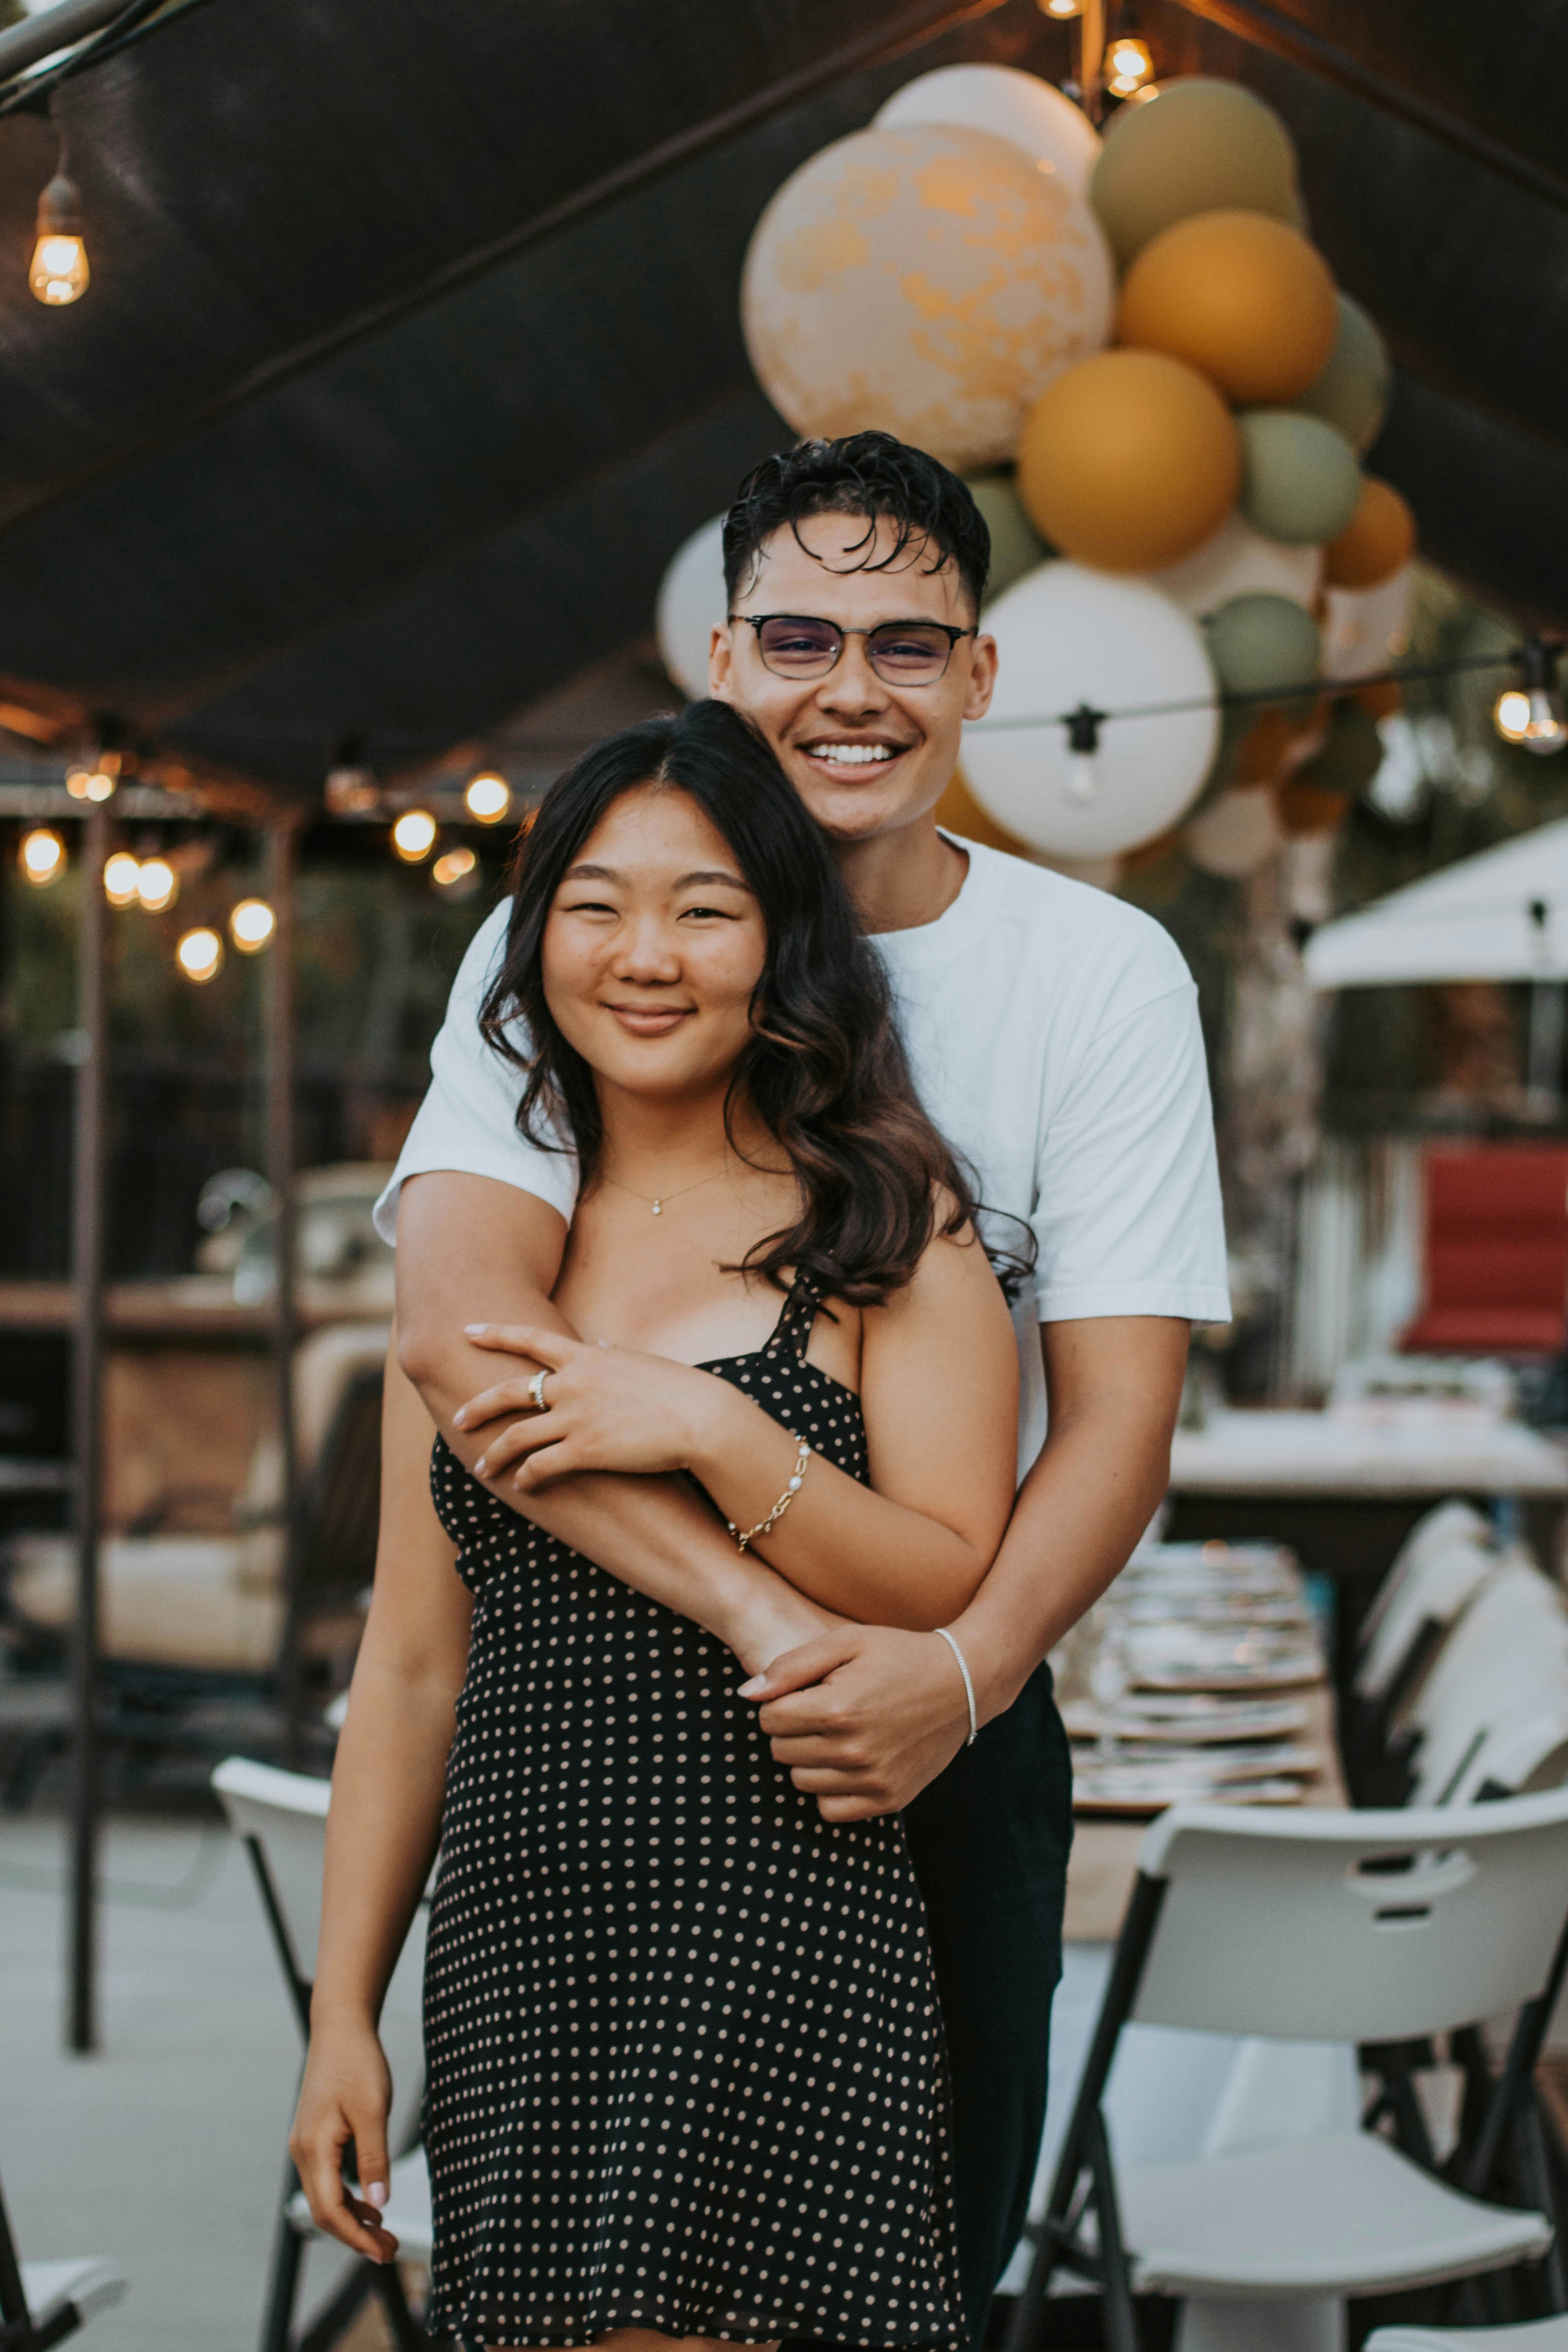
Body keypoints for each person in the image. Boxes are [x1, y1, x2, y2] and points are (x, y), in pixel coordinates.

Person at [378, 432, 1231, 2343]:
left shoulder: (1096, 973)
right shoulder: (587, 953)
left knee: (930, 2252)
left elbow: (1114, 1419)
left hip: (948, 1696)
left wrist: (959, 1671)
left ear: (982, 674)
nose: (850, 689)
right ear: (720, 657)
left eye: (909, 644)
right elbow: (462, 1346)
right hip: (598, 1757)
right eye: (798, 637)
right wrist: (758, 1594)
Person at [293, 700, 1024, 2352]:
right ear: (534, 932)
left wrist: (713, 1425)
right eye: (596, 901)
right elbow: (409, 1672)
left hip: (779, 1937)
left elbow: (943, 1574)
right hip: (524, 1951)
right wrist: (341, 2011)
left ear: (781, 945)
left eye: (704, 907)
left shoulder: (887, 1220)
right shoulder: (482, 1258)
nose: (646, 952)